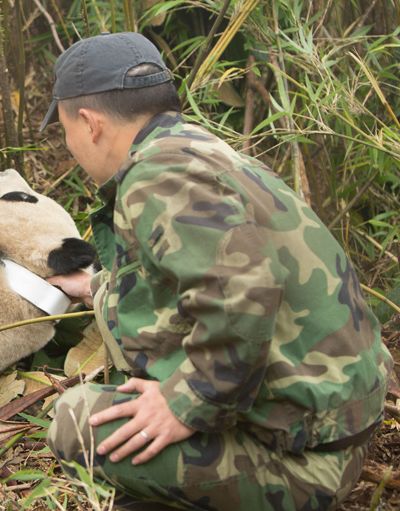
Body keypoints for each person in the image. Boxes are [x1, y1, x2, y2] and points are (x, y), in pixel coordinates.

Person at [41, 32, 392, 510]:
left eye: (64, 129)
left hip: (304, 461)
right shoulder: (193, 151)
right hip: (328, 425)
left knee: (75, 420)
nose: (69, 144)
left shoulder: (158, 177)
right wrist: (93, 287)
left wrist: (185, 402)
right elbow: (187, 277)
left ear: (89, 123)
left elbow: (244, 291)